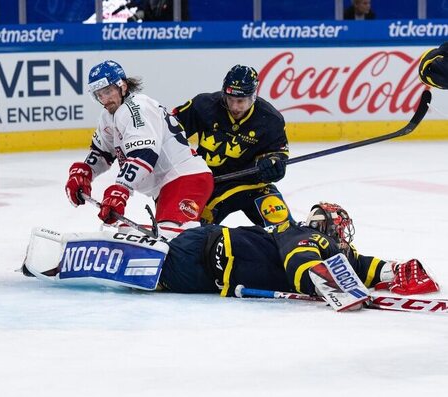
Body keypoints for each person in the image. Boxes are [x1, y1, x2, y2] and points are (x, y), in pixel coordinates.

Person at [23, 202, 440, 308]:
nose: (345, 241)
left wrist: (395, 269)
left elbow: (358, 266)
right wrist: (321, 280)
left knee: (150, 269)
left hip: (205, 258)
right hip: (205, 256)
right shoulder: (304, 238)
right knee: (147, 268)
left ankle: (60, 255)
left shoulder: (326, 249)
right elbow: (301, 261)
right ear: (331, 229)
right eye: (341, 233)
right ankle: (67, 253)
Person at [65, 60, 213, 236]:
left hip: (186, 180)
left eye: (108, 91)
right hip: (168, 187)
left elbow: (145, 154)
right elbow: (102, 153)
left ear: (123, 87)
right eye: (99, 94)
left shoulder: (137, 107)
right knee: (167, 241)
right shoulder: (108, 116)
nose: (104, 99)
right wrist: (85, 172)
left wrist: (121, 189)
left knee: (172, 239)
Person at [172, 65, 291, 227]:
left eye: (240, 101)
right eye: (230, 100)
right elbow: (170, 128)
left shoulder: (270, 119)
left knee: (283, 226)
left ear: (253, 96)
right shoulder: (204, 105)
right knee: (191, 231)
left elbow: (278, 153)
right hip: (210, 184)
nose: (234, 107)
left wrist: (273, 164)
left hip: (253, 185)